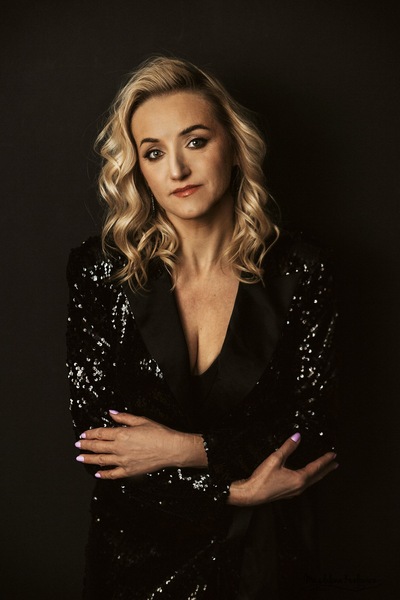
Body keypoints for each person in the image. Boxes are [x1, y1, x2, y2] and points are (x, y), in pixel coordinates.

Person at [66, 56, 338, 600]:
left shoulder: (302, 270)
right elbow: (102, 446)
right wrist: (233, 492)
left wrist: (186, 449)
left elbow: (314, 432)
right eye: (153, 152)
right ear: (137, 169)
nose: (176, 170)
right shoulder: (101, 270)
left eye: (195, 142)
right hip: (136, 562)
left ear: (233, 147)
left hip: (265, 562)